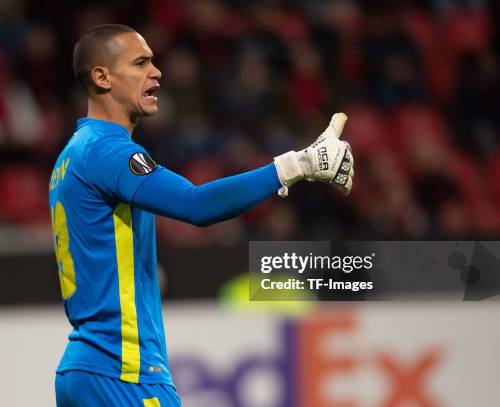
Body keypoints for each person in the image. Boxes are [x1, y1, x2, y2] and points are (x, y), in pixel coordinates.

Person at [50, 24, 354, 407]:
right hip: (124, 371)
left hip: (83, 370)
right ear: (102, 76)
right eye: (141, 62)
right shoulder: (108, 152)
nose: (156, 72)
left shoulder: (71, 154)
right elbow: (197, 205)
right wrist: (298, 164)